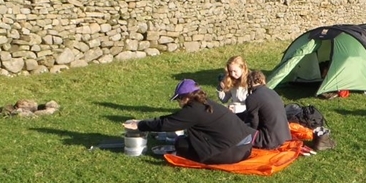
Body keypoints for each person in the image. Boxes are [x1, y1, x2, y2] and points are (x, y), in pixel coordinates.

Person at [124, 79, 254, 164]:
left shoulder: (193, 110)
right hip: (246, 147)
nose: (178, 102)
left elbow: (166, 123)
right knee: (190, 140)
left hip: (233, 153)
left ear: (185, 97)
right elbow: (173, 119)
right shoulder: (206, 103)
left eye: (178, 99)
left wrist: (140, 125)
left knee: (181, 144)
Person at [245, 70, 291, 150]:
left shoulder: (252, 98)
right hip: (285, 136)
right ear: (262, 80)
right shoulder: (272, 92)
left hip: (269, 141)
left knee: (239, 130)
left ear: (249, 83)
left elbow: (254, 124)